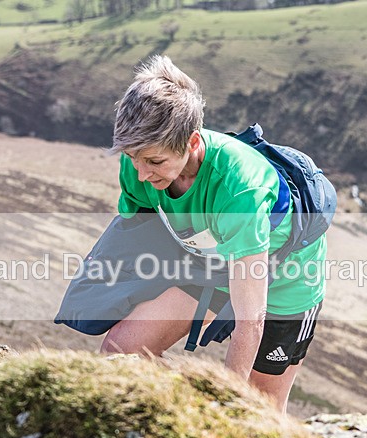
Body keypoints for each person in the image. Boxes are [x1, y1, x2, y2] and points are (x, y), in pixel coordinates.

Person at [99, 55, 326, 414]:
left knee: (259, 408)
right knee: (121, 353)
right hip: (210, 265)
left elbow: (250, 318)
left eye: (154, 162)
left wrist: (225, 410)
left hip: (286, 281)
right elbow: (137, 235)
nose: (141, 174)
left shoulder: (240, 191)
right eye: (132, 157)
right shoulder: (138, 167)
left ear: (190, 143)